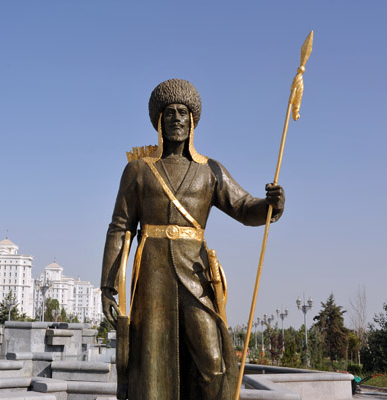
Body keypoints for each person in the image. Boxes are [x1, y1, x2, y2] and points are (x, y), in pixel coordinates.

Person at [100, 79, 285, 399]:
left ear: (192, 121)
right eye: (169, 113)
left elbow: (243, 207)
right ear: (159, 121)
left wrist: (271, 205)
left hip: (196, 271)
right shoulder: (139, 170)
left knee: (213, 363)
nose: (176, 118)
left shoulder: (210, 170)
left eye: (183, 113)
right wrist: (107, 286)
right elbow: (119, 227)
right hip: (153, 274)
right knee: (153, 364)